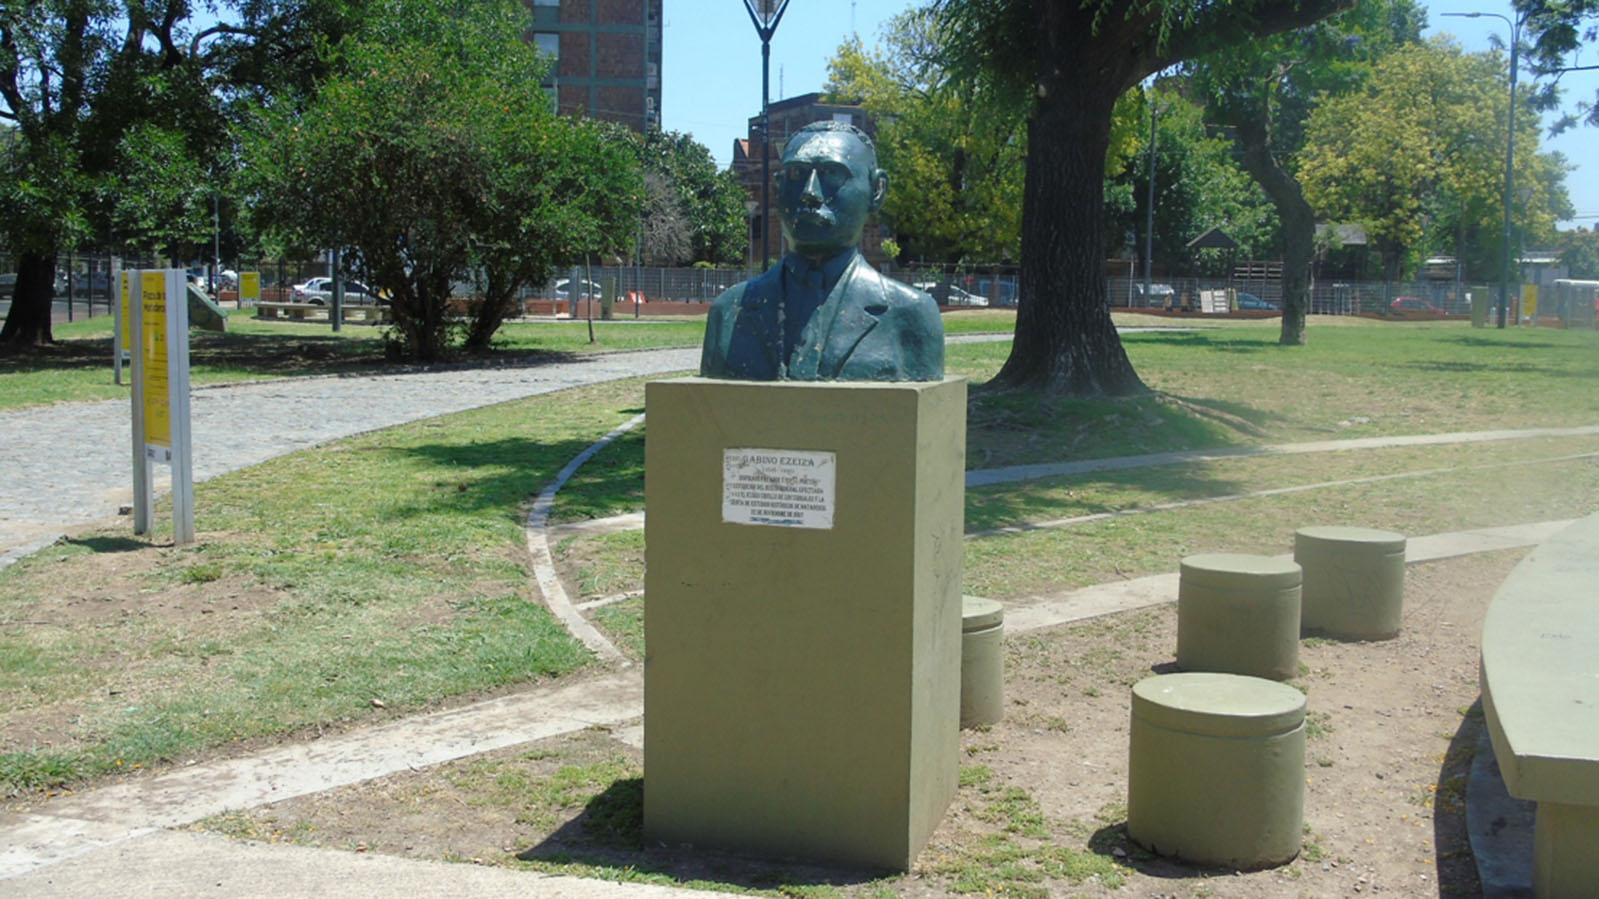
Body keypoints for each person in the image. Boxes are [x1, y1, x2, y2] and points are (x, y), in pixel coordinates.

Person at [700, 121, 943, 381]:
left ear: (877, 190)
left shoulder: (911, 314)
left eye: (833, 174)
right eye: (796, 175)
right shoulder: (728, 312)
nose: (810, 193)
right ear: (778, 187)